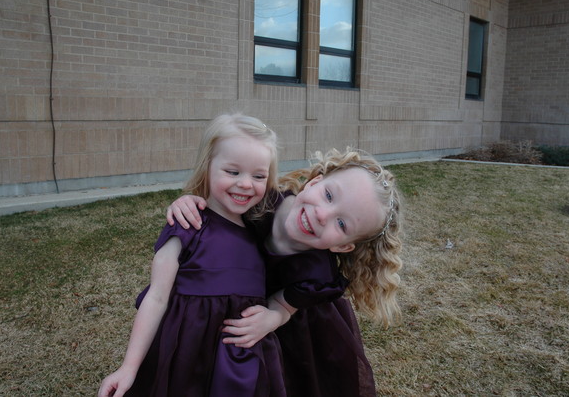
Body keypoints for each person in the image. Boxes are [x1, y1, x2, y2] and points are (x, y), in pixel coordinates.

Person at [167, 147, 403, 397]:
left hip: (290, 326)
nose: (322, 214)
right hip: (227, 288)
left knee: (281, 378)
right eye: (329, 195)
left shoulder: (318, 274)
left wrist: (273, 317)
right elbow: (218, 205)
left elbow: (284, 304)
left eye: (342, 224)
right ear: (314, 183)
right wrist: (192, 203)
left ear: (342, 246)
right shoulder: (262, 200)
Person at [98, 113, 286, 397]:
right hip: (184, 357)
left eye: (258, 176)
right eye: (233, 172)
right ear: (207, 167)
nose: (246, 184)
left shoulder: (261, 231)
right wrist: (128, 367)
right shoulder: (188, 225)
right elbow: (157, 297)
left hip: (239, 365)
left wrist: (276, 317)